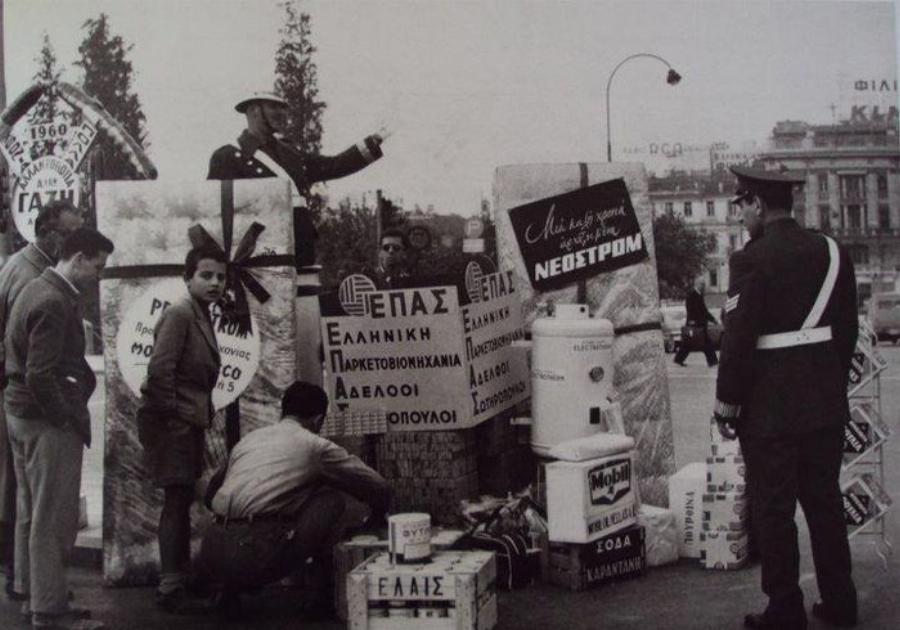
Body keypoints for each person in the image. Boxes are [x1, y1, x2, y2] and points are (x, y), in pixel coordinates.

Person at [713, 166, 859, 629]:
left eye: (742, 206)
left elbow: (737, 343)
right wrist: (827, 384)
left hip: (770, 414)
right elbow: (848, 333)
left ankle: (785, 610)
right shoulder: (833, 253)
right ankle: (841, 604)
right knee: (825, 505)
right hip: (825, 406)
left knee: (774, 511)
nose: (740, 216)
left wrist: (727, 404)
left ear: (757, 204)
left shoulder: (750, 260)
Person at [197, 381, 391, 617]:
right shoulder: (315, 446)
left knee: (259, 511)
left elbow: (210, 494)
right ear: (318, 420)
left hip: (211, 552)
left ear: (283, 411)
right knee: (330, 499)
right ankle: (323, 598)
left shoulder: (249, 440)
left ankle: (228, 594)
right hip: (257, 555)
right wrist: (377, 515)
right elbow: (379, 486)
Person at [4, 227, 113, 630]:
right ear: (79, 258)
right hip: (43, 421)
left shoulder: (36, 287)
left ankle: (34, 592)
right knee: (52, 518)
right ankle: (49, 612)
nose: (98, 276)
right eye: (97, 267)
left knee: (31, 512)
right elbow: (40, 373)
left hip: (19, 415)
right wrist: (64, 415)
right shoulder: (53, 299)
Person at [135, 246, 226, 613]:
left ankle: (179, 578)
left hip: (186, 421)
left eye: (221, 276)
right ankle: (171, 586)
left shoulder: (199, 313)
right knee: (175, 500)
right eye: (206, 275)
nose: (215, 283)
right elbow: (159, 372)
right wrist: (176, 418)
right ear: (187, 278)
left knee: (182, 497)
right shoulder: (179, 313)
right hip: (172, 424)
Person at [0, 201, 84, 600]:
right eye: (70, 234)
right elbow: (35, 362)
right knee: (36, 501)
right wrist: (61, 414)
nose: (76, 242)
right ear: (49, 234)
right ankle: (41, 594)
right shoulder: (36, 279)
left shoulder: (25, 270)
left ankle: (27, 583)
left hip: (17, 399)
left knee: (26, 500)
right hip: (28, 401)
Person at [207, 91, 386, 268]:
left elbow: (333, 165)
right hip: (259, 257)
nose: (282, 113)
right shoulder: (227, 156)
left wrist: (374, 141)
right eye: (274, 107)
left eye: (283, 107)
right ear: (254, 109)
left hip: (301, 249)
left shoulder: (290, 152)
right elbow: (216, 217)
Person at [673, 277, 719, 367]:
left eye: (704, 284)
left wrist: (713, 320)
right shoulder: (691, 295)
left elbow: (704, 311)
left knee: (692, 343)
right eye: (702, 284)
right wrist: (694, 321)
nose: (704, 286)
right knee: (695, 343)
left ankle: (679, 359)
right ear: (697, 284)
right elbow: (691, 310)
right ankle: (713, 361)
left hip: (699, 324)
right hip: (694, 324)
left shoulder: (699, 295)